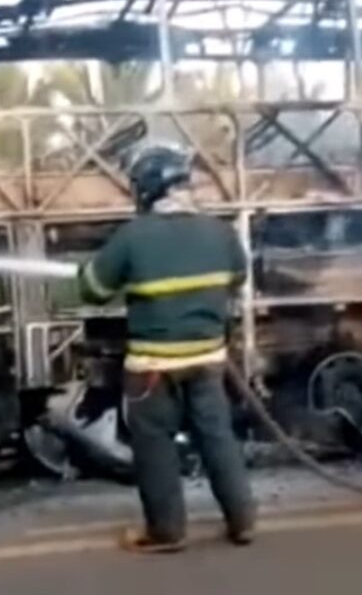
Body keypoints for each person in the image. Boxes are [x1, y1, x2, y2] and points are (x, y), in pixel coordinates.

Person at [77, 140, 256, 554]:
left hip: (152, 368)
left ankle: (166, 531)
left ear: (145, 188)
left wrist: (89, 271)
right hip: (209, 360)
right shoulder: (220, 233)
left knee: (155, 446)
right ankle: (242, 520)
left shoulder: (133, 237)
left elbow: (92, 289)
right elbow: (237, 278)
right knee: (217, 438)